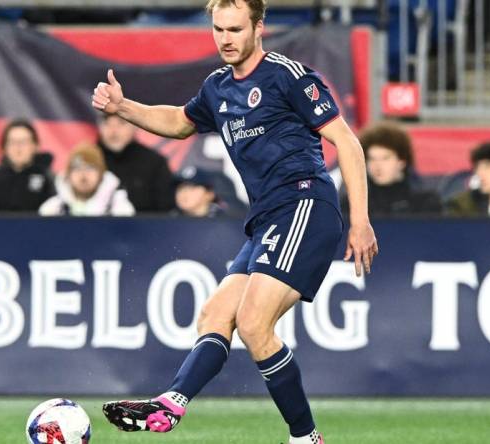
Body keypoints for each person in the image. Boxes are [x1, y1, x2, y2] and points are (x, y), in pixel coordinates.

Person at [91, 0, 378, 442]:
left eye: (235, 29)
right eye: (218, 29)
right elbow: (181, 123)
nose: (225, 38)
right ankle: (171, 405)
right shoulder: (217, 87)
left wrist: (360, 219)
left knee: (253, 323)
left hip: (305, 204)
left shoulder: (288, 76)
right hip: (265, 219)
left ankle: (305, 437)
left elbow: (349, 144)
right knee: (215, 313)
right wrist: (124, 106)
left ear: (259, 27)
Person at [341, 122, 441, 216]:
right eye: (372, 159)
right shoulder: (351, 205)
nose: (377, 166)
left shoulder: (425, 203)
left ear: (402, 161)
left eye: (385, 158)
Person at [97, 114, 175, 213]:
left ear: (134, 127)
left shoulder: (154, 162)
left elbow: (165, 207)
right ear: (99, 128)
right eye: (107, 124)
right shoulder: (88, 161)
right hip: (94, 226)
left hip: (145, 226)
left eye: (121, 124)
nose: (114, 131)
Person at [0, 119, 55, 212]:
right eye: (12, 142)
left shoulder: (48, 179)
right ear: (3, 148)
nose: (18, 147)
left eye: (24, 142)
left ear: (36, 146)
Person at [38, 143, 134, 216]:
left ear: (101, 175)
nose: (83, 175)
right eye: (77, 168)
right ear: (68, 175)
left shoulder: (120, 208)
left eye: (90, 168)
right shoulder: (52, 209)